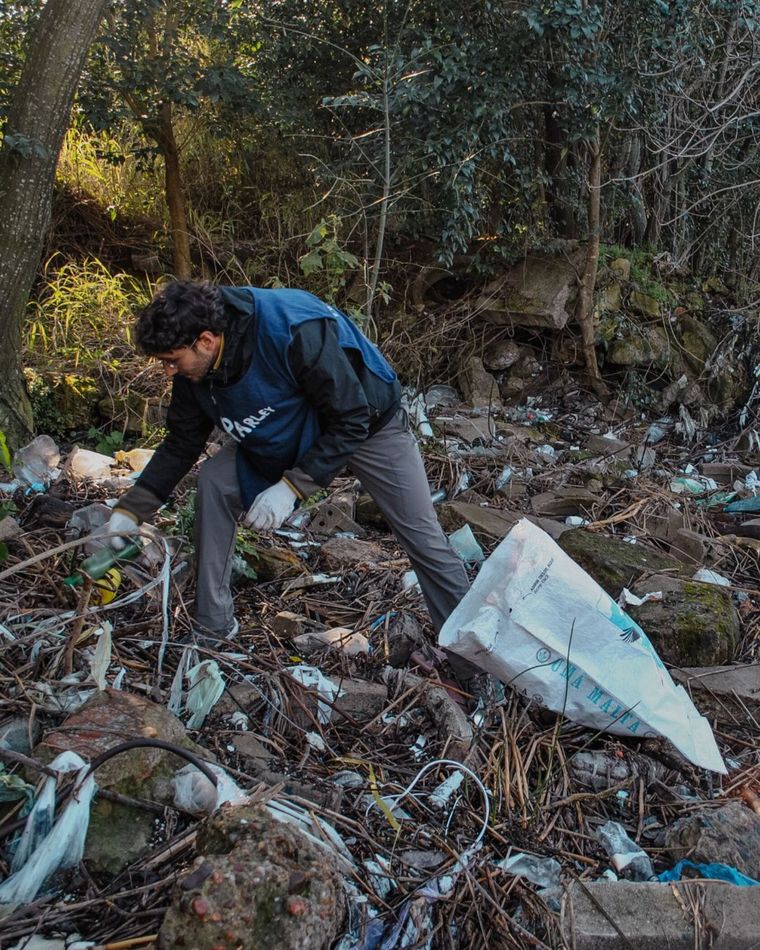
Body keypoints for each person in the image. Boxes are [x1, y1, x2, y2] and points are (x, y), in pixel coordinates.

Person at [106, 280, 471, 653]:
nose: (168, 371)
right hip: (283, 427)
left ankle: (472, 653)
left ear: (205, 340)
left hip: (366, 423)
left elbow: (351, 418)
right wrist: (132, 511)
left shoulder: (292, 328)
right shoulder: (195, 370)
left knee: (423, 538)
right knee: (215, 480)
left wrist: (292, 489)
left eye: (172, 360)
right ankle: (213, 626)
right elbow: (182, 442)